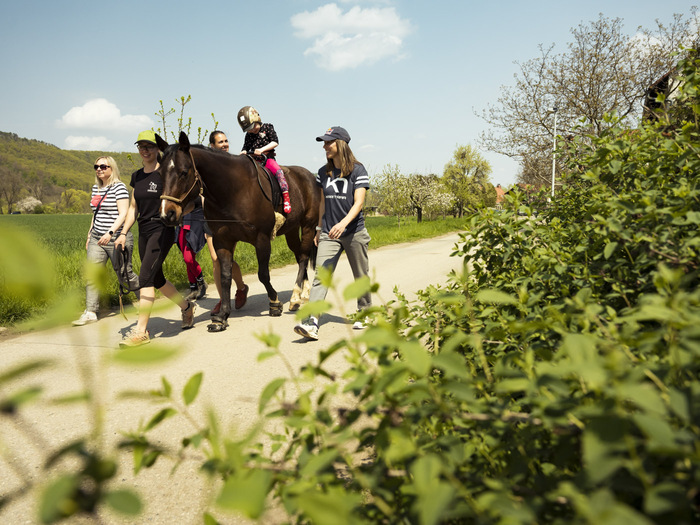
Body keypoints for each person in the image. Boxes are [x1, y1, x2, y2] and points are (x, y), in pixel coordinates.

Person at [114, 130, 195, 347]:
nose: (145, 150)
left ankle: (141, 332)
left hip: (162, 229)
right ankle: (187, 307)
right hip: (144, 229)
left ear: (157, 149)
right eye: (141, 146)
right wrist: (123, 233)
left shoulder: (166, 172)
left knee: (145, 279)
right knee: (156, 279)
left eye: (149, 146)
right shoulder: (137, 176)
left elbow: (182, 198)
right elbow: (133, 208)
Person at [294, 126, 372, 340]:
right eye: (324, 142)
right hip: (329, 232)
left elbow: (359, 203)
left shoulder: (358, 170)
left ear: (341, 144)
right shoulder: (323, 172)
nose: (325, 146)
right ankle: (312, 322)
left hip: (354, 231)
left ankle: (365, 312)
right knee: (322, 276)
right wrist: (320, 229)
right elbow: (322, 204)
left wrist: (344, 223)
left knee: (360, 275)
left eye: (329, 142)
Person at [73, 156, 139, 326]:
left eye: (103, 166)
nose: (99, 169)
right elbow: (95, 215)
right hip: (97, 237)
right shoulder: (96, 189)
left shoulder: (119, 188)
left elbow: (124, 213)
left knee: (125, 275)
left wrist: (111, 232)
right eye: (96, 166)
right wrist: (90, 235)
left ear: (112, 168)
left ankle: (146, 300)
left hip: (117, 237)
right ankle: (91, 312)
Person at [207, 130, 248, 315]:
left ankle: (240, 288)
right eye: (220, 142)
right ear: (212, 146)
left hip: (231, 217)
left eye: (226, 141)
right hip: (210, 216)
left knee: (225, 258)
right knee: (217, 259)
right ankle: (224, 298)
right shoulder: (206, 165)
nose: (224, 144)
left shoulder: (234, 162)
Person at [237, 106, 291, 214]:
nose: (252, 130)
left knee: (279, 173)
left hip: (267, 159)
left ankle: (286, 197)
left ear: (257, 119)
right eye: (249, 129)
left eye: (253, 126)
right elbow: (245, 147)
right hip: (253, 161)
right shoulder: (249, 135)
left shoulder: (268, 127)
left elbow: (275, 142)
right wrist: (243, 152)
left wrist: (262, 150)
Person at [176, 195, 208, 301]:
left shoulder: (200, 189)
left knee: (188, 259)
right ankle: (193, 288)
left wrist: (206, 228)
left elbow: (205, 206)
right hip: (182, 224)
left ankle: (201, 282)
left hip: (196, 223)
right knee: (187, 259)